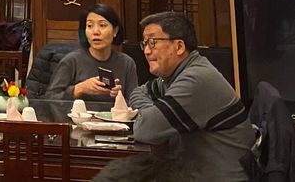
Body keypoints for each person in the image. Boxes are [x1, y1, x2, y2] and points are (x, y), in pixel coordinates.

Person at [95, 11, 253, 182]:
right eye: (145, 43)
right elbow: (138, 92)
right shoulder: (176, 75)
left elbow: (146, 130)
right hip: (192, 171)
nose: (146, 51)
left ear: (179, 46)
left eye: (153, 42)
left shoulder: (196, 79)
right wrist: (152, 112)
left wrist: (150, 115)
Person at [44, 3, 138, 104]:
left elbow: (135, 103)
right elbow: (49, 99)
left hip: (115, 114)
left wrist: (119, 97)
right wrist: (79, 89)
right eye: (89, 26)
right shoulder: (71, 61)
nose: (95, 32)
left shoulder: (126, 63)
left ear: (115, 31)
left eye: (102, 25)